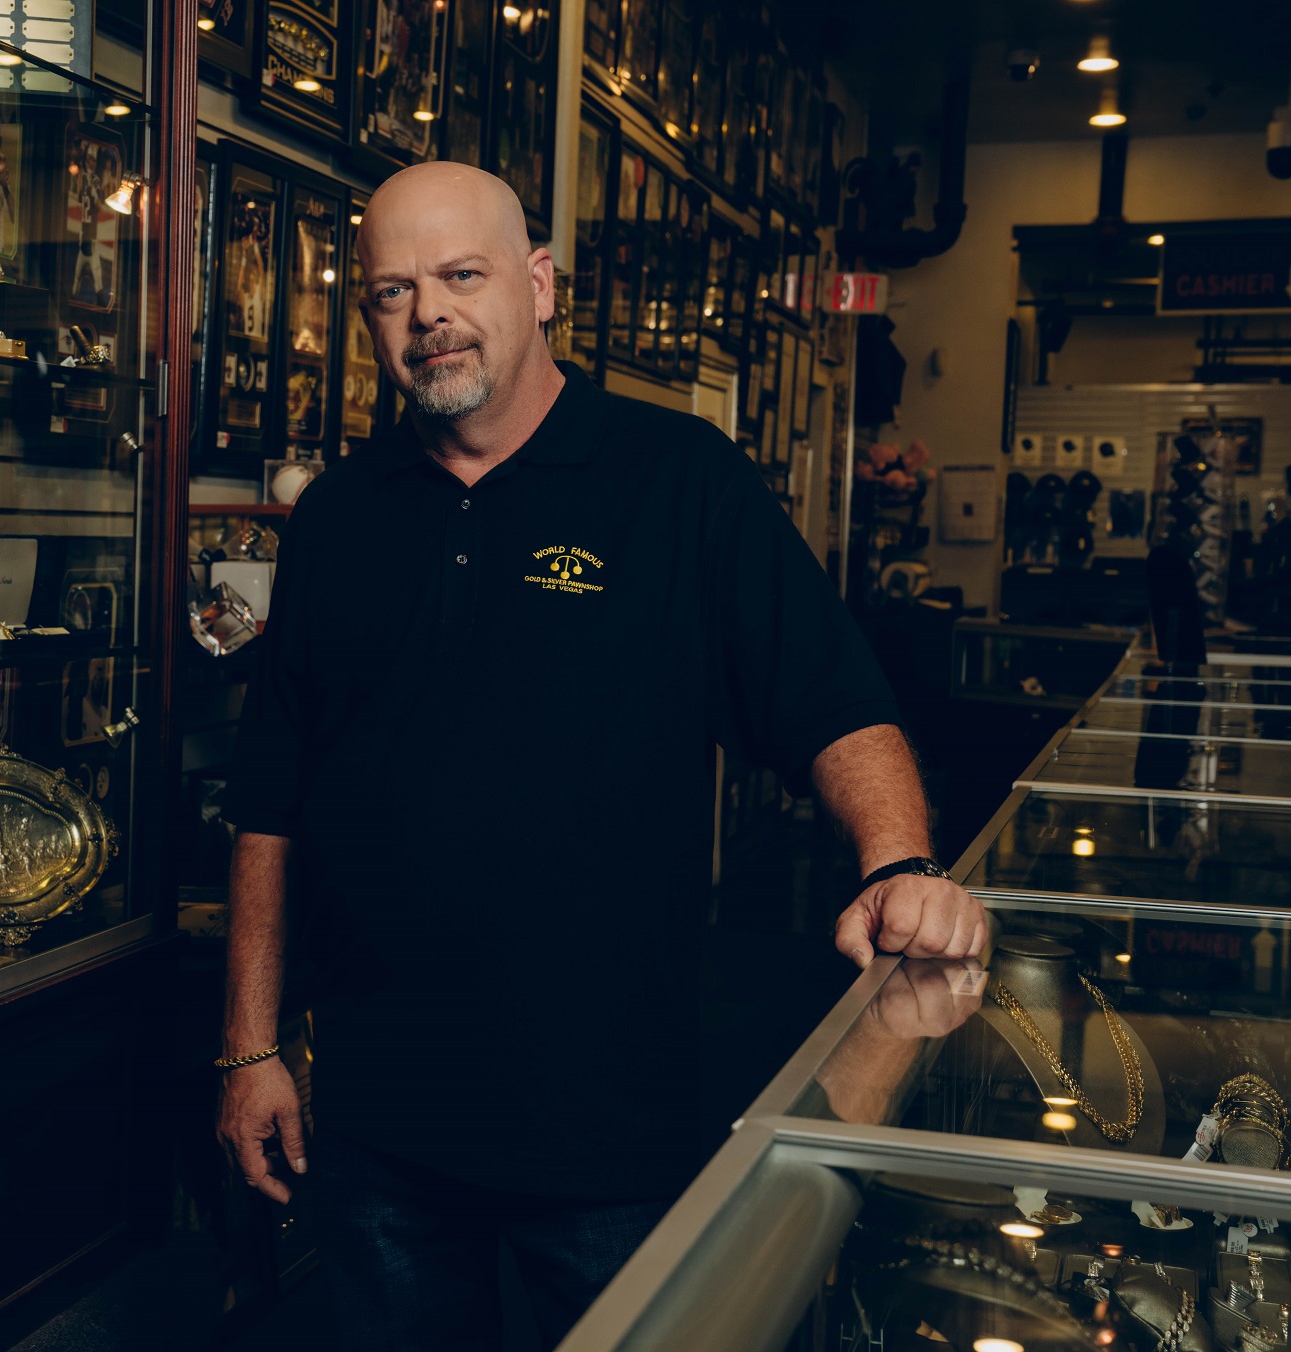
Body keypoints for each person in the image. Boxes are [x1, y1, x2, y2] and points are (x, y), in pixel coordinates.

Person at [213, 161, 988, 1351]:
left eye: (461, 276)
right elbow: (271, 799)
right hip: (379, 1125)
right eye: (392, 291)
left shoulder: (681, 480)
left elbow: (833, 704)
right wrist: (251, 1046)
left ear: (539, 285)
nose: (428, 316)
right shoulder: (339, 515)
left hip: (606, 1126)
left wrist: (898, 862)